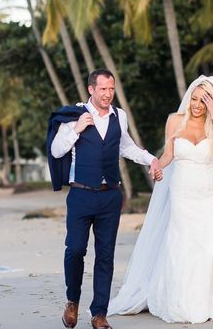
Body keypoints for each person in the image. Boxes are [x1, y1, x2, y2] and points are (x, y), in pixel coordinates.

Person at [108, 75, 213, 324]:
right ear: (188, 98)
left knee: (207, 241)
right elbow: (168, 154)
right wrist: (157, 165)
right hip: (182, 189)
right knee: (182, 239)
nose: (197, 105)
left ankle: (207, 299)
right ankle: (180, 299)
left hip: (208, 191)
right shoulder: (175, 121)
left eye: (203, 101)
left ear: (212, 103)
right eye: (194, 99)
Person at [47, 69, 161, 329]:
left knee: (106, 256)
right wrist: (76, 129)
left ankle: (99, 313)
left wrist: (150, 159)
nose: (108, 94)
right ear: (91, 90)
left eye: (111, 89)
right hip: (81, 195)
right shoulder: (74, 116)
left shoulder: (119, 116)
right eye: (103, 89)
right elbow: (56, 150)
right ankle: (72, 301)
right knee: (75, 249)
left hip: (110, 196)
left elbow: (126, 146)